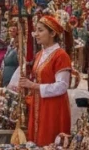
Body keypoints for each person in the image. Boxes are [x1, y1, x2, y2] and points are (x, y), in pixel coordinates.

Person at [12, 13, 73, 146]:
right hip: (38, 104)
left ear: (52, 33)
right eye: (36, 30)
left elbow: (62, 86)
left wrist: (34, 86)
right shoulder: (40, 55)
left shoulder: (61, 55)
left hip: (53, 107)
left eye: (40, 30)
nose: (36, 34)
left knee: (49, 140)